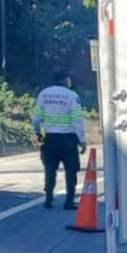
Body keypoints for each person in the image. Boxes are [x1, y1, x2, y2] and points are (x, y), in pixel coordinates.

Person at [33, 70, 87, 209]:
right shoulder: (71, 96)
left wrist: (38, 132)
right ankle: (69, 201)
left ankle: (48, 199)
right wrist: (82, 140)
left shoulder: (44, 94)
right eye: (68, 79)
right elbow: (77, 120)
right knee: (71, 171)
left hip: (50, 139)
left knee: (50, 170)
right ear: (64, 80)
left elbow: (37, 117)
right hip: (68, 139)